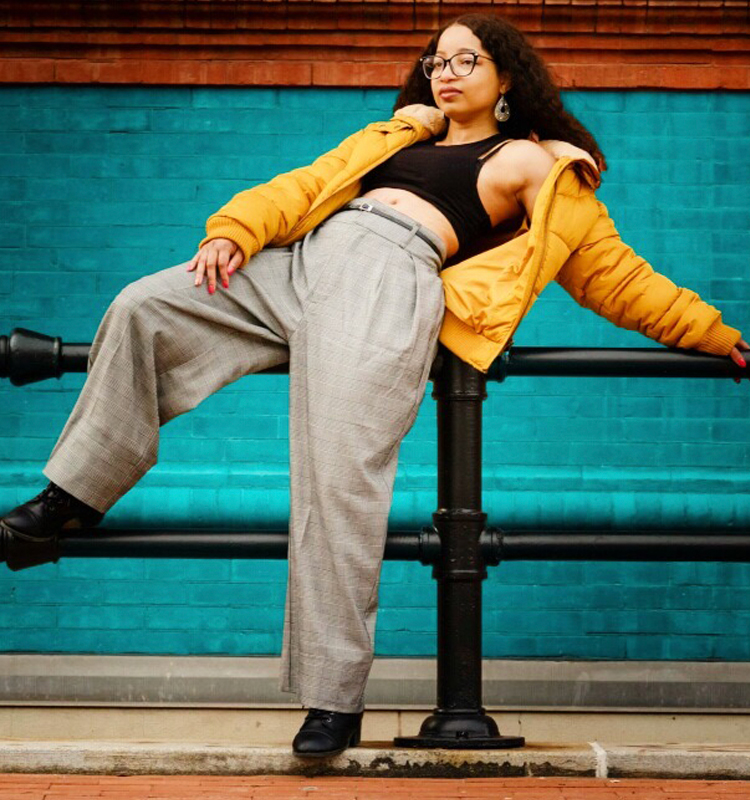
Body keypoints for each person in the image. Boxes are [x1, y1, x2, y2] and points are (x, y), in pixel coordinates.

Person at [1, 12, 747, 758]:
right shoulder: (397, 133)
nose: (445, 72)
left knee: (336, 479)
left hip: (391, 279)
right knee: (144, 306)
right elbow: (305, 187)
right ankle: (73, 496)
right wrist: (234, 228)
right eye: (436, 61)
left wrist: (714, 333)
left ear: (507, 78)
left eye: (465, 60)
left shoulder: (535, 164)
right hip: (302, 263)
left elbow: (615, 276)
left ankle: (333, 701)